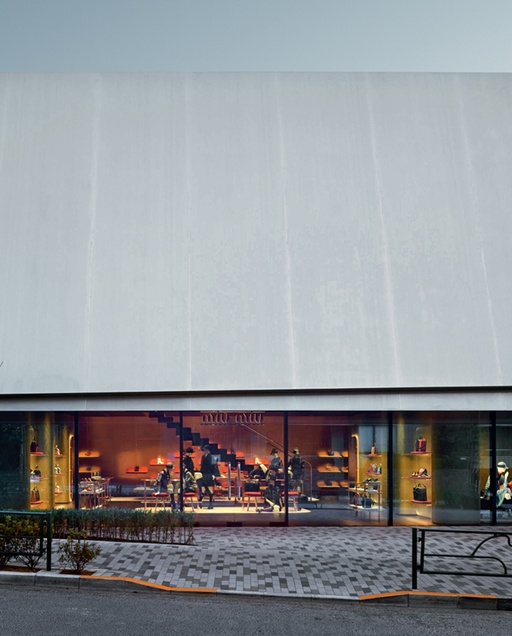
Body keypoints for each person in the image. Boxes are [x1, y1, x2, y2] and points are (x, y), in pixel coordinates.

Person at [199, 445, 219, 509]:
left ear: (208, 450)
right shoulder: (203, 457)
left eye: (205, 449)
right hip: (204, 474)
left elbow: (214, 467)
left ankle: (210, 503)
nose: (204, 451)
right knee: (203, 489)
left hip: (209, 474)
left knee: (210, 489)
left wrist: (213, 475)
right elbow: (202, 466)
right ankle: (200, 502)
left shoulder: (212, 457)